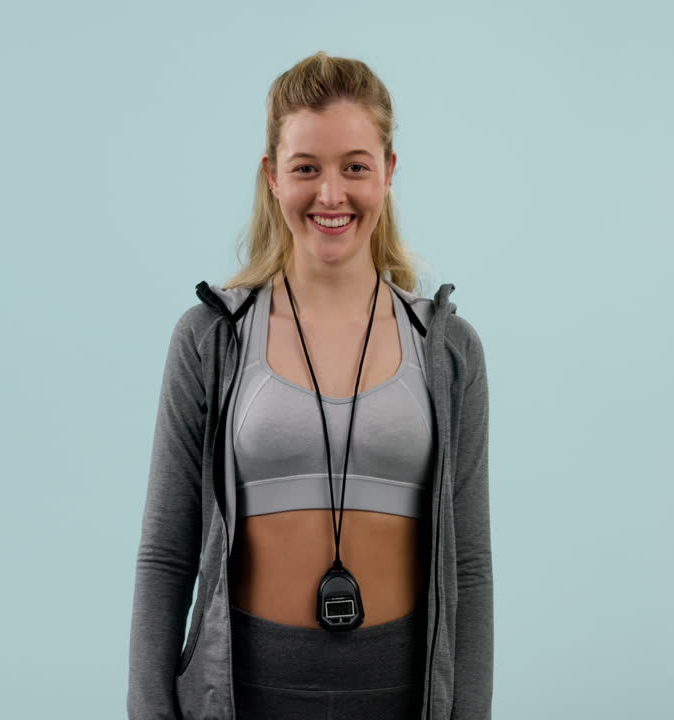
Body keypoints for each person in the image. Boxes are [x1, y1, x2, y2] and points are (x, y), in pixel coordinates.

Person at [126, 52, 493, 720]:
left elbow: (468, 565)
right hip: (245, 694)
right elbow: (164, 554)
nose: (331, 195)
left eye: (355, 166)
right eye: (306, 169)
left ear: (388, 171)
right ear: (272, 176)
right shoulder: (212, 338)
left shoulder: (448, 349)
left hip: (399, 695)